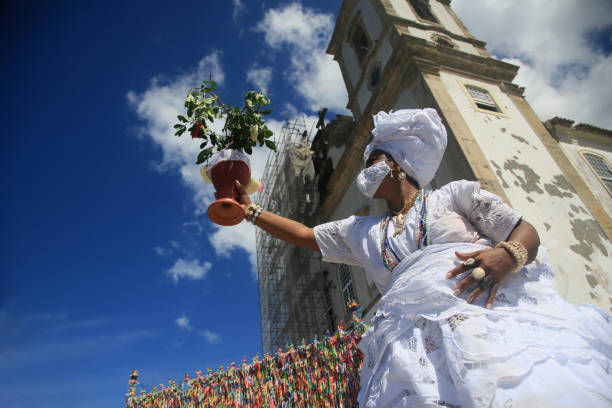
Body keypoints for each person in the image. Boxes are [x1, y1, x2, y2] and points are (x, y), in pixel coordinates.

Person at [234, 109, 612, 407]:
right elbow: (304, 235)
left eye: (374, 159)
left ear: (397, 162)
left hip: (486, 318)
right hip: (410, 344)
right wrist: (250, 212)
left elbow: (524, 230)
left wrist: (506, 256)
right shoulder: (362, 230)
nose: (365, 169)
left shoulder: (453, 197)